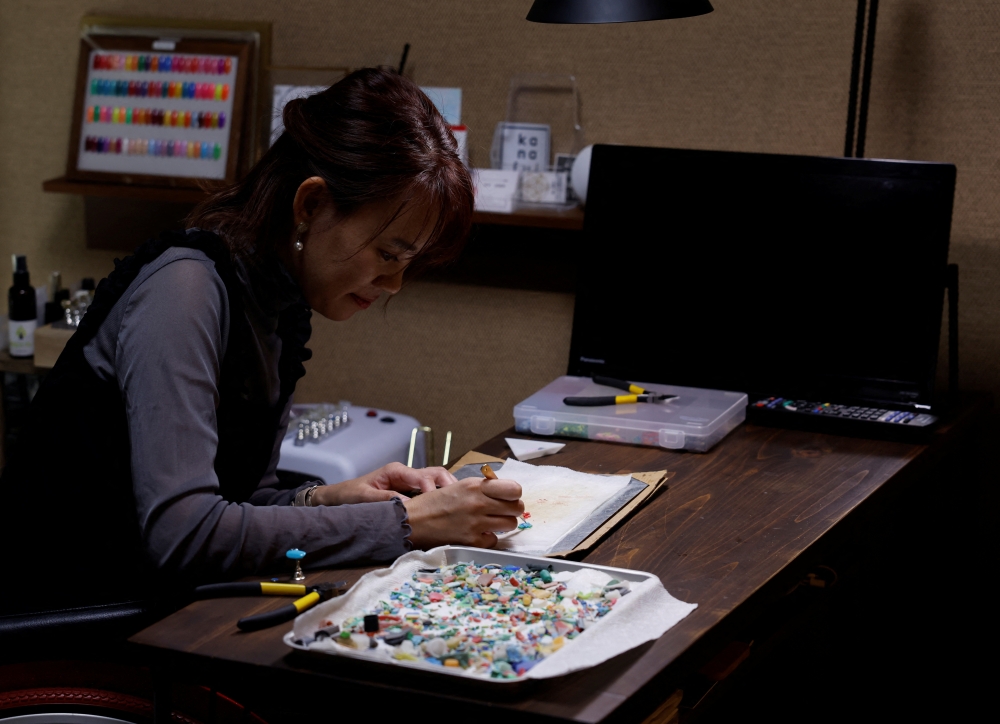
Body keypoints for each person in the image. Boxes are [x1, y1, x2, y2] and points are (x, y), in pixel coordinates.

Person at [0, 68, 523, 614]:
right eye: (388, 254)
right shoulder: (185, 289)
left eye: (407, 264)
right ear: (311, 205)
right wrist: (405, 522)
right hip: (67, 615)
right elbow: (186, 535)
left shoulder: (275, 300)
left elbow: (240, 497)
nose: (393, 284)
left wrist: (328, 498)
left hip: (156, 605)